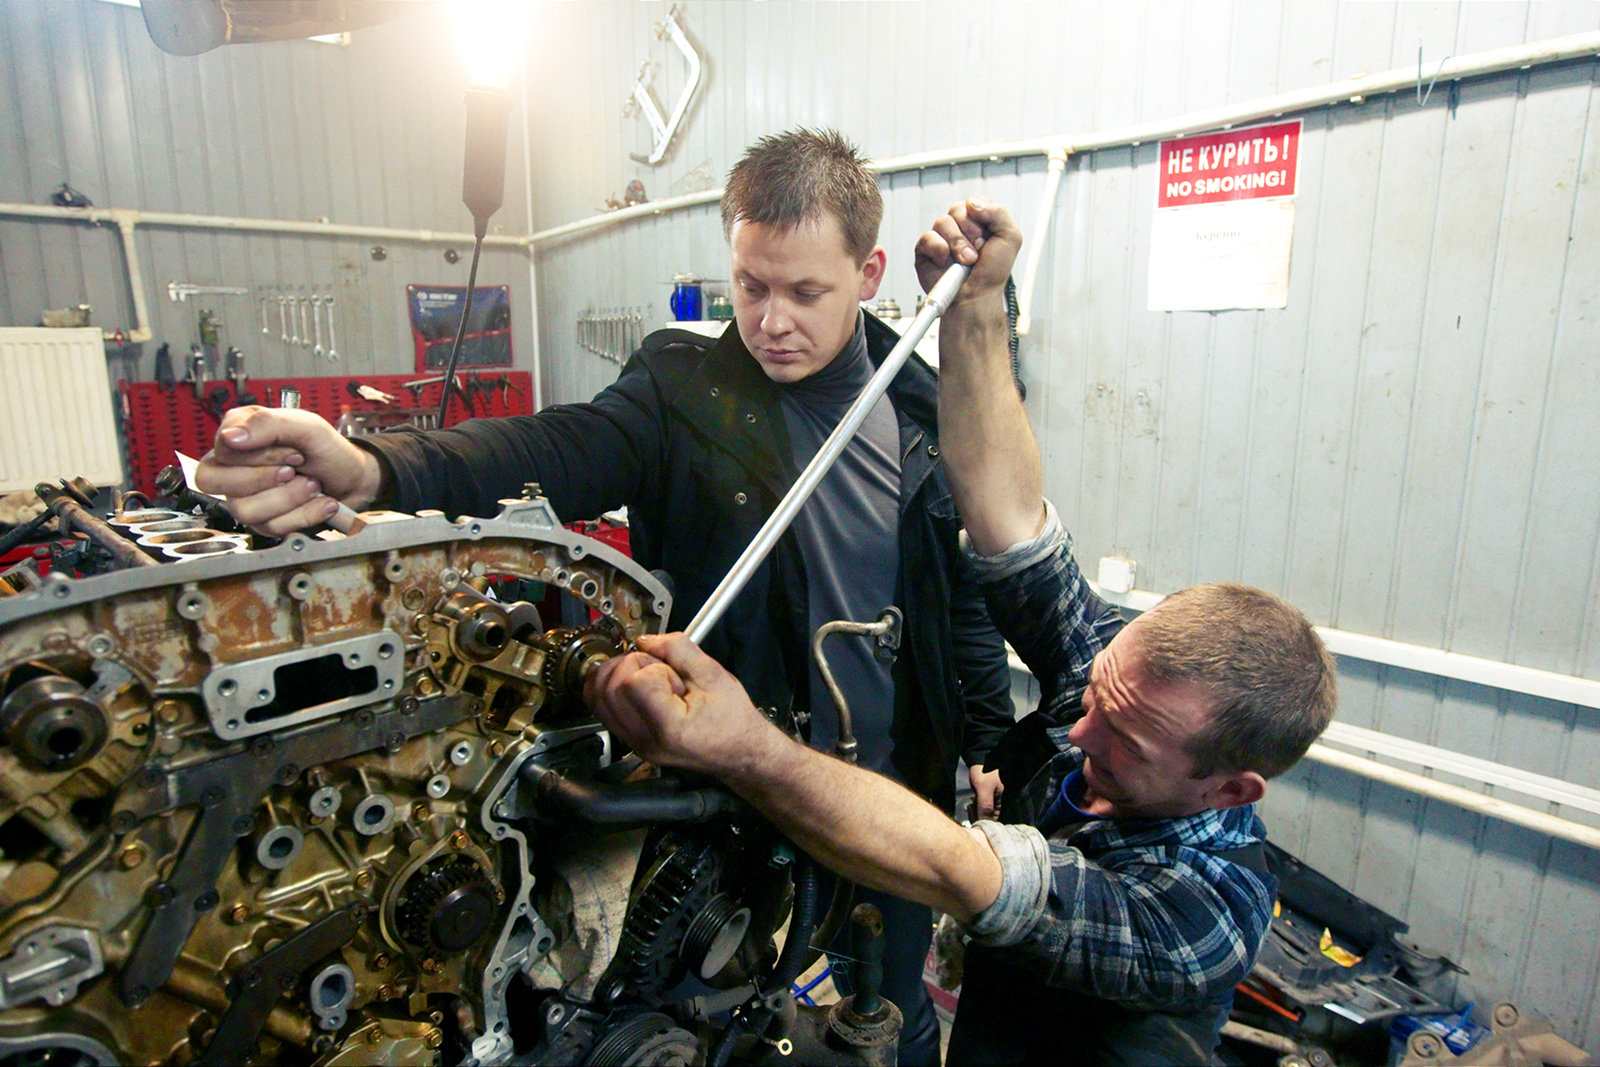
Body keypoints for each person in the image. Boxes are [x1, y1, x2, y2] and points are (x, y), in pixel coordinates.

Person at [196, 128, 1014, 1066]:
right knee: (734, 1019)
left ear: (868, 274)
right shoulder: (682, 389)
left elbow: (963, 588)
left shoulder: (919, 399)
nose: (771, 319)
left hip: (897, 787)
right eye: (751, 285)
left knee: (889, 1011)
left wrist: (984, 737)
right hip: (744, 795)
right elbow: (553, 445)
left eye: (804, 292)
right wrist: (374, 466)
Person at [583, 197, 1339, 1066]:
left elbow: (958, 869)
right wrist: (975, 306)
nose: (1076, 727)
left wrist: (745, 748)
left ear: (1231, 790)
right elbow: (1011, 522)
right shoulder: (1112, 683)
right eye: (1096, 697)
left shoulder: (1201, 914)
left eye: (1124, 737)